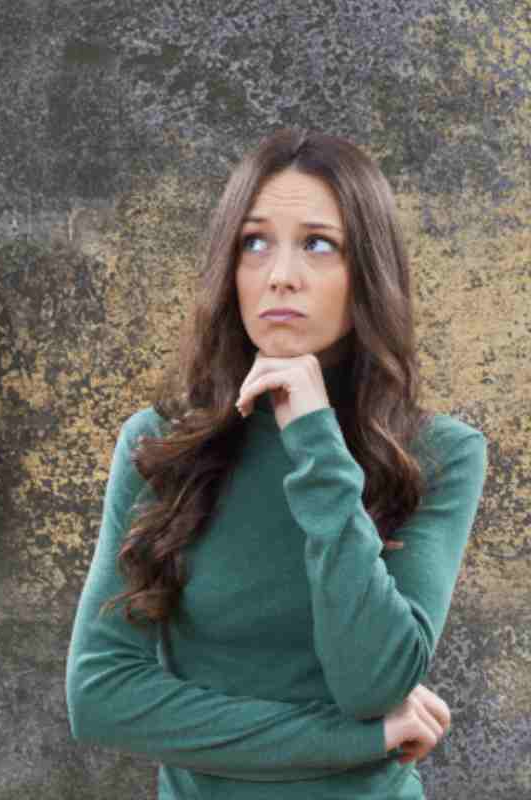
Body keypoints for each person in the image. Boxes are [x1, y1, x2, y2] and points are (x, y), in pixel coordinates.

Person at [65, 128, 488, 799]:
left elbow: (371, 680)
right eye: (254, 242)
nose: (279, 274)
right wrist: (357, 740)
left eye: (318, 244)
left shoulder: (440, 455)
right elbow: (102, 696)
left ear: (367, 272)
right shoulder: (159, 446)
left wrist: (315, 437)